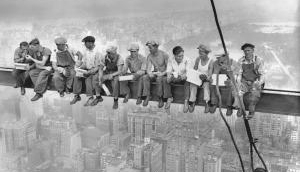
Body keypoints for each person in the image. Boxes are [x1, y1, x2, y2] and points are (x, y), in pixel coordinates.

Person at [70, 36, 102, 106]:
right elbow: (85, 63)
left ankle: (91, 97)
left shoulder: (97, 52)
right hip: (87, 70)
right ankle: (77, 95)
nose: (84, 44)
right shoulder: (86, 51)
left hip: (96, 71)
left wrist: (89, 72)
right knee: (77, 75)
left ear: (91, 43)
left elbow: (97, 67)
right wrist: (80, 68)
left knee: (89, 79)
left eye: (86, 43)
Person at [236, 43, 265, 118]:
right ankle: (240, 108)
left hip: (256, 81)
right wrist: (239, 82)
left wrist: (259, 83)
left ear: (253, 50)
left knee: (253, 97)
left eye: (248, 50)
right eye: (245, 51)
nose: (247, 52)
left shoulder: (258, 60)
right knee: (238, 93)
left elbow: (262, 74)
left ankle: (251, 112)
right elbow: (239, 74)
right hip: (245, 81)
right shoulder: (241, 60)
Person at [143, 40, 169, 108]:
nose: (149, 49)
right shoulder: (150, 56)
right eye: (148, 48)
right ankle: (147, 95)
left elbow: (169, 69)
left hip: (164, 74)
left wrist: (162, 73)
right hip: (156, 73)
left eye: (150, 48)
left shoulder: (164, 55)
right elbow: (148, 69)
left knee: (159, 79)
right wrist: (149, 73)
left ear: (156, 47)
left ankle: (160, 98)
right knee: (145, 77)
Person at [188, 44, 213, 113]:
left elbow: (210, 74)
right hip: (198, 78)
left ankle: (207, 102)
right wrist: (193, 75)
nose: (200, 55)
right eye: (199, 53)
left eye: (201, 53)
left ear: (206, 53)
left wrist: (206, 78)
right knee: (193, 84)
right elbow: (195, 69)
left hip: (205, 79)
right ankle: (192, 102)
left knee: (206, 86)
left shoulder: (210, 61)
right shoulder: (198, 59)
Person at [98, 45, 124, 109]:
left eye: (112, 53)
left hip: (116, 73)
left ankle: (115, 100)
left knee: (115, 81)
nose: (110, 55)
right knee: (98, 78)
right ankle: (102, 94)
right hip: (107, 71)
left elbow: (119, 71)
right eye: (108, 53)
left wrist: (111, 75)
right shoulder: (105, 57)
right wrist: (100, 78)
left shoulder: (119, 58)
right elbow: (101, 69)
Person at [166, 46, 190, 111]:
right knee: (167, 80)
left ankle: (186, 101)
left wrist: (184, 75)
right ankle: (169, 97)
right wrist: (169, 76)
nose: (181, 58)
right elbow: (169, 70)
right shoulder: (171, 59)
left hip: (184, 78)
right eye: (179, 56)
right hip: (175, 77)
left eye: (182, 56)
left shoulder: (187, 60)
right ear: (174, 55)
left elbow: (189, 71)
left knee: (187, 81)